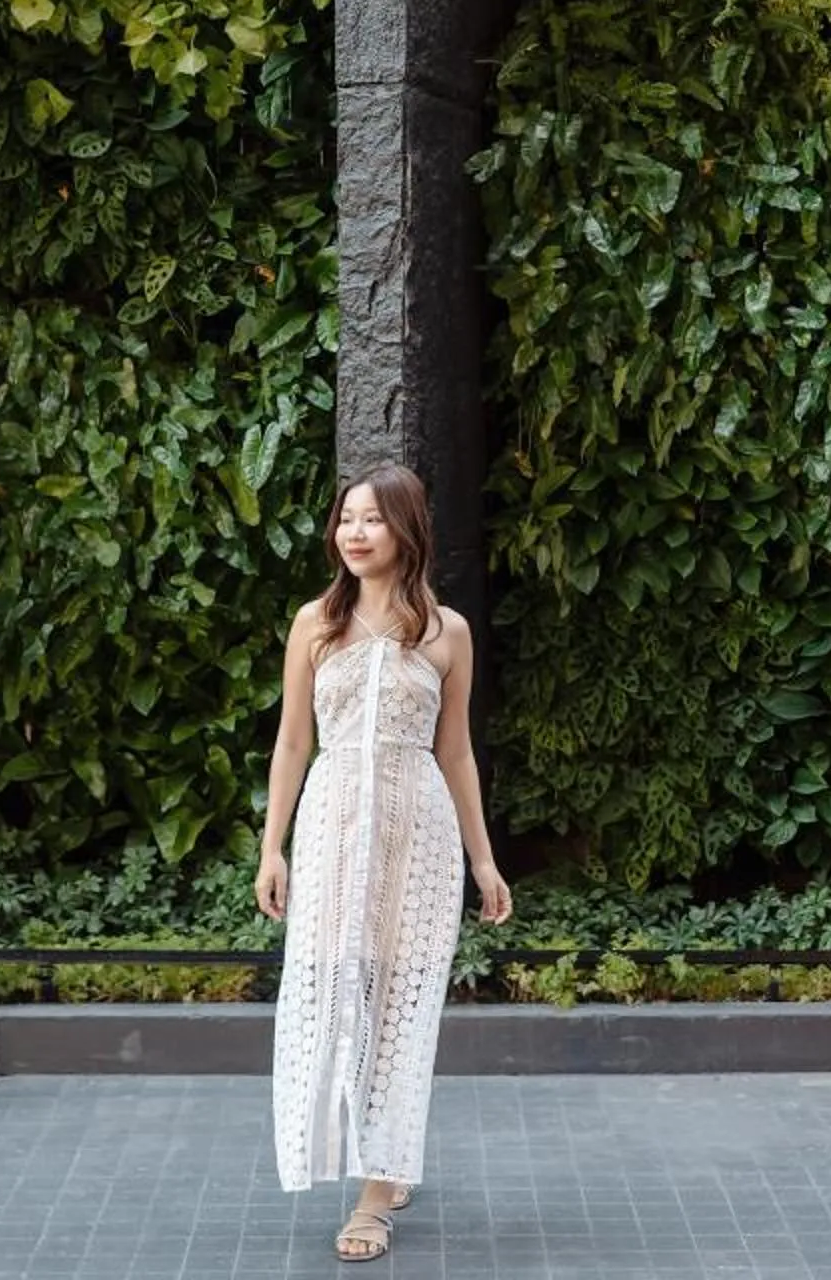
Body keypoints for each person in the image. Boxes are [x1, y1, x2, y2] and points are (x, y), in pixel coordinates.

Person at [258, 462, 512, 1263]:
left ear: (408, 530)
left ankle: (377, 1191)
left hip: (420, 832)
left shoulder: (448, 633)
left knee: (403, 1004)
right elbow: (294, 740)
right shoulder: (314, 624)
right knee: (335, 993)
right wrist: (272, 845)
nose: (354, 534)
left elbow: (459, 753)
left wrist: (484, 861)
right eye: (345, 520)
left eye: (371, 519)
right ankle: (366, 1152)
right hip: (332, 828)